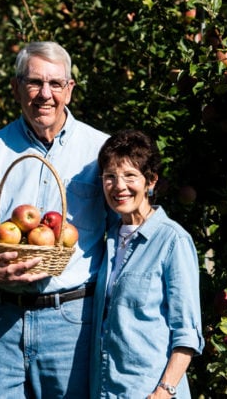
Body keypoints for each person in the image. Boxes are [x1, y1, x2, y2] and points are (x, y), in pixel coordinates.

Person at [0, 41, 111, 398]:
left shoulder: (100, 152)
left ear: (70, 89)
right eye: (34, 82)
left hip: (72, 323)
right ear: (16, 88)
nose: (44, 95)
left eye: (55, 84)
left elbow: (126, 232)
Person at [90, 129, 205, 398]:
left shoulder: (172, 241)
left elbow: (187, 332)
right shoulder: (107, 241)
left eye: (130, 176)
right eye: (110, 177)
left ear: (151, 181)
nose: (119, 186)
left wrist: (164, 391)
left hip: (150, 392)